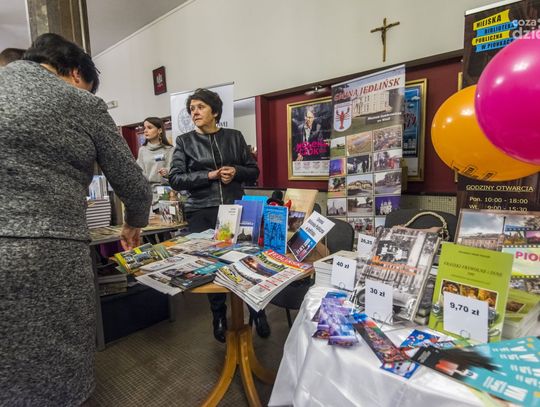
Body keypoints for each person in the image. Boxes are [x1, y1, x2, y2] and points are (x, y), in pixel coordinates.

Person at [0, 33, 152, 405]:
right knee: (57, 369)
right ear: (74, 73)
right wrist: (134, 221)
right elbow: (134, 185)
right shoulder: (81, 103)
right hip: (50, 254)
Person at [168, 88, 270, 343]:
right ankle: (219, 315)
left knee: (247, 262)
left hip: (236, 209)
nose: (194, 112)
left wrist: (235, 171)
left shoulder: (234, 137)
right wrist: (210, 175)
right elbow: (176, 179)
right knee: (210, 267)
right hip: (202, 211)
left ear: (214, 111)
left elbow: (254, 171)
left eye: (200, 107)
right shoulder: (185, 142)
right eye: (191, 109)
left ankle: (257, 309)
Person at [136, 117, 174, 208]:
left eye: (149, 127)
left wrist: (166, 172)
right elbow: (139, 172)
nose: (145, 131)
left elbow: (175, 171)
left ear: (159, 130)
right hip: (147, 195)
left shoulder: (169, 150)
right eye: (144, 128)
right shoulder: (142, 150)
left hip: (165, 194)